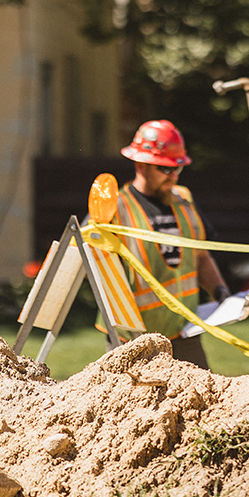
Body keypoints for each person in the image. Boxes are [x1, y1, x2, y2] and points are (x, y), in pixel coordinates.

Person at [98, 119, 229, 370]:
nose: (173, 176)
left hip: (184, 334)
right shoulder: (115, 208)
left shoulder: (185, 200)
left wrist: (220, 292)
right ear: (140, 164)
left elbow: (200, 257)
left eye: (177, 168)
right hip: (134, 340)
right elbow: (91, 266)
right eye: (164, 169)